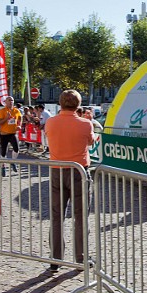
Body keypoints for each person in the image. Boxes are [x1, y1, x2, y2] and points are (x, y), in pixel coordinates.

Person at [44, 90, 94, 273]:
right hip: (78, 172)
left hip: (57, 171)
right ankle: (81, 257)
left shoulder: (51, 121)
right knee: (80, 217)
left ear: (60, 103)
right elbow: (90, 143)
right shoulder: (85, 123)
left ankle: (55, 258)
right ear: (78, 105)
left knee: (56, 216)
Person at [0, 96, 22, 176]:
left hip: (13, 133)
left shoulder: (16, 110)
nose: (11, 102)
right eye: (9, 100)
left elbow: (20, 118)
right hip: (4, 134)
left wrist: (19, 125)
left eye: (12, 100)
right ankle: (3, 166)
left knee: (16, 149)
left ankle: (13, 161)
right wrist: (6, 118)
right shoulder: (2, 111)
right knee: (3, 152)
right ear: (6, 102)